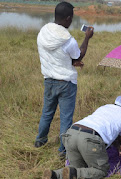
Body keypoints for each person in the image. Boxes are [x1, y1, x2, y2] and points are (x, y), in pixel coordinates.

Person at [39, 96, 121, 179]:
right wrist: (120, 146)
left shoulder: (104, 107)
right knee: (101, 170)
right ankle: (72, 176)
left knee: (77, 168)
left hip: (72, 133)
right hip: (90, 138)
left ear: (114, 103)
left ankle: (54, 176)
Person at [34, 1, 94, 156]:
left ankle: (40, 140)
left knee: (47, 113)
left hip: (49, 80)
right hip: (66, 84)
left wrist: (73, 62)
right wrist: (87, 38)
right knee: (66, 119)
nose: (72, 21)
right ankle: (63, 150)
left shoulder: (43, 32)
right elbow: (78, 55)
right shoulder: (68, 40)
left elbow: (62, 57)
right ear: (68, 18)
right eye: (72, 18)